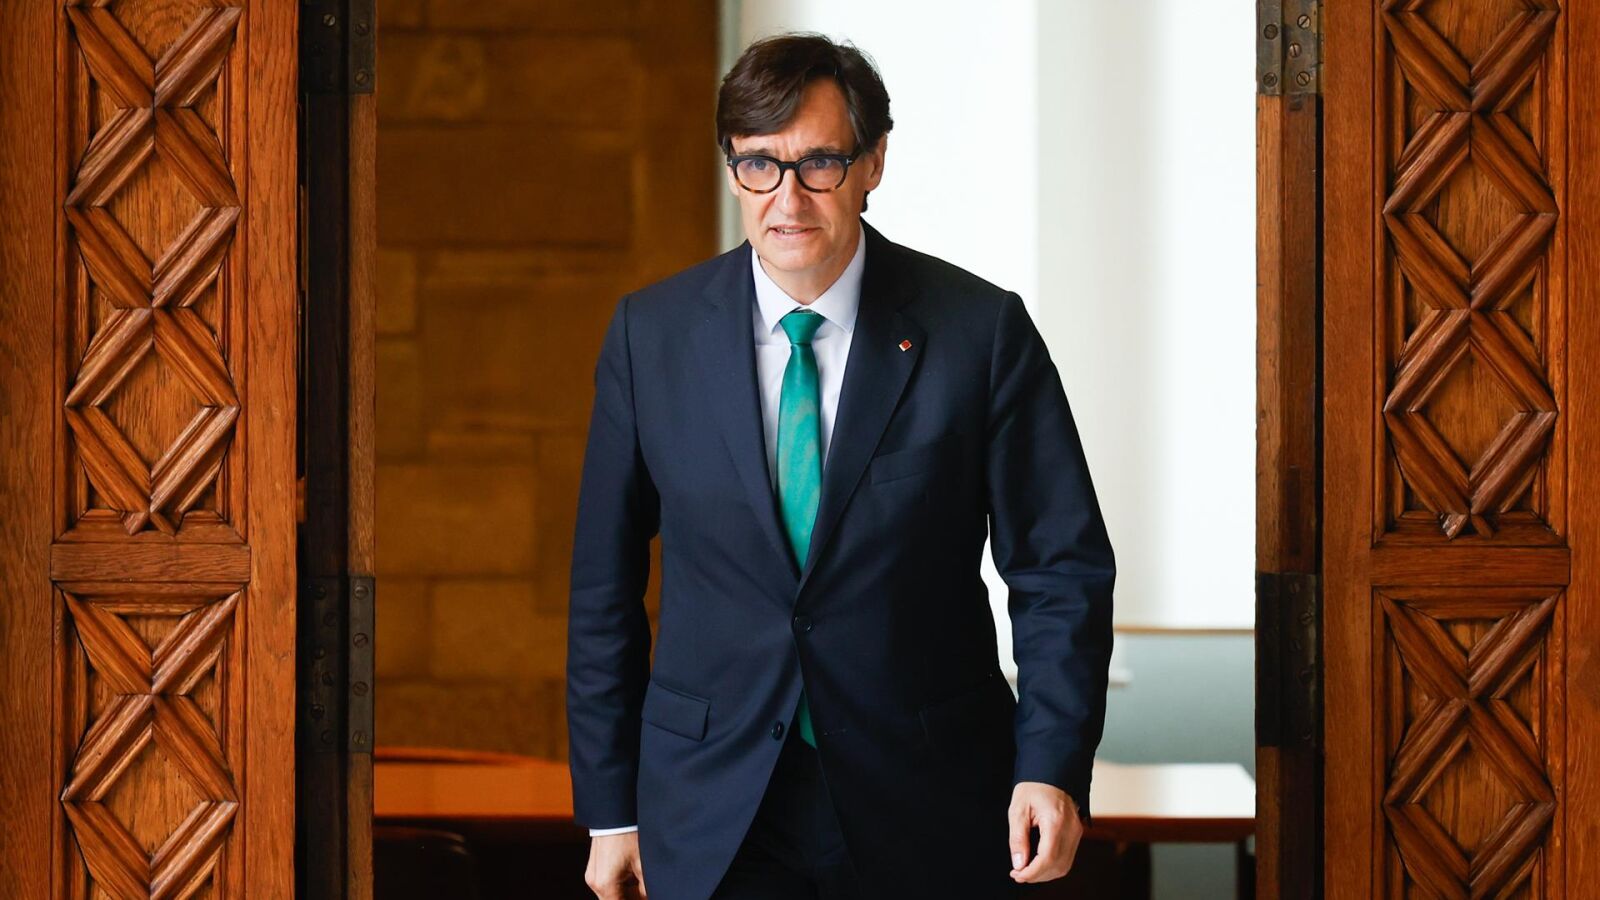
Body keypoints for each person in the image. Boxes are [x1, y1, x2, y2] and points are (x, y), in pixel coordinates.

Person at [566, 32, 1115, 900]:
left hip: (927, 800)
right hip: (712, 808)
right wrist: (609, 810)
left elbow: (1060, 571)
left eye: (819, 163)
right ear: (733, 168)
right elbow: (604, 590)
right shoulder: (650, 337)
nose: (786, 199)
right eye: (759, 164)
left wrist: (1051, 765)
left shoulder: (980, 334)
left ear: (873, 164)